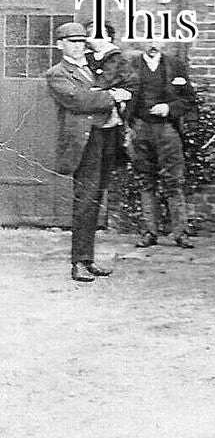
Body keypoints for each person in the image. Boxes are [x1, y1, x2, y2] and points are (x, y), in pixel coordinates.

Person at [46, 22, 133, 281]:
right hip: (85, 143)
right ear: (59, 45)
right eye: (71, 42)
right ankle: (78, 263)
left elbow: (119, 79)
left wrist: (103, 91)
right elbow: (79, 100)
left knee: (95, 200)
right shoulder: (57, 73)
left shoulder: (94, 68)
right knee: (85, 200)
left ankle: (88, 258)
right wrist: (112, 96)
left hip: (105, 137)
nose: (78, 46)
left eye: (82, 41)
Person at [129, 39, 197, 250]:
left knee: (173, 181)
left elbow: (188, 100)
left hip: (167, 130)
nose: (152, 44)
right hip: (140, 128)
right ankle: (149, 232)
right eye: (148, 40)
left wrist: (168, 108)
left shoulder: (175, 66)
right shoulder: (130, 65)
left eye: (157, 39)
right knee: (145, 180)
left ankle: (181, 234)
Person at [84, 20, 139, 223]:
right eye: (92, 34)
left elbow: (131, 86)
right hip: (87, 119)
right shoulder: (85, 59)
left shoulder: (118, 59)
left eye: (101, 34)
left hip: (109, 120)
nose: (97, 39)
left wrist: (117, 94)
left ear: (109, 37)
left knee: (104, 166)